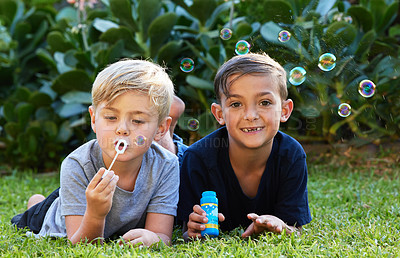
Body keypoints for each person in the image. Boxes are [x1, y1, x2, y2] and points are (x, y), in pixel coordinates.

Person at [11, 59, 179, 246]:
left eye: (138, 121)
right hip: (59, 220)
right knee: (34, 217)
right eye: (111, 117)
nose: (122, 129)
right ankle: (37, 204)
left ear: (161, 128)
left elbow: (162, 236)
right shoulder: (77, 164)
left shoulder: (166, 165)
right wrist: (95, 213)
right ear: (93, 119)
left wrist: (153, 239)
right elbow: (80, 244)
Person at [177, 53, 312, 240]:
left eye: (264, 102)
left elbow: (295, 229)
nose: (250, 115)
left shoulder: (291, 155)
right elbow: (186, 232)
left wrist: (279, 226)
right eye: (236, 104)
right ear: (219, 114)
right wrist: (193, 228)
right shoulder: (197, 159)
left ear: (285, 110)